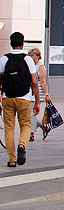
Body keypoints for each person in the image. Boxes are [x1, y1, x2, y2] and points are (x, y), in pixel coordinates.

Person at [0, 32, 40, 167]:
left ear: (11, 43)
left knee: (9, 128)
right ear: (22, 44)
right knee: (25, 125)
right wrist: (38, 101)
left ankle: (12, 160)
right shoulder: (28, 59)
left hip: (7, 98)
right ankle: (22, 145)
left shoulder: (4, 59)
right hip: (24, 97)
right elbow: (34, 82)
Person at [27, 48, 51, 141]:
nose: (30, 57)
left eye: (32, 55)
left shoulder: (40, 67)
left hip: (37, 93)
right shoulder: (30, 66)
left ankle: (31, 133)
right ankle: (44, 127)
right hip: (29, 92)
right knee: (29, 114)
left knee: (31, 114)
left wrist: (46, 94)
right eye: (29, 55)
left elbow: (43, 82)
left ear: (37, 56)